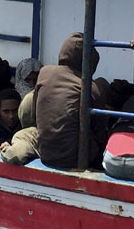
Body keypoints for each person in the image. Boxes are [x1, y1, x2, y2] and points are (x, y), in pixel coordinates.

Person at [34, 32, 108, 169]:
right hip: (76, 159)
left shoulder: (44, 73)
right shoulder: (91, 88)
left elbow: (35, 114)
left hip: (44, 152)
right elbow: (100, 132)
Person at [0, 92, 39, 165]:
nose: (11, 116)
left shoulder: (28, 136)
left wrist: (5, 148)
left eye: (15, 111)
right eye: (6, 111)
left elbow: (13, 156)